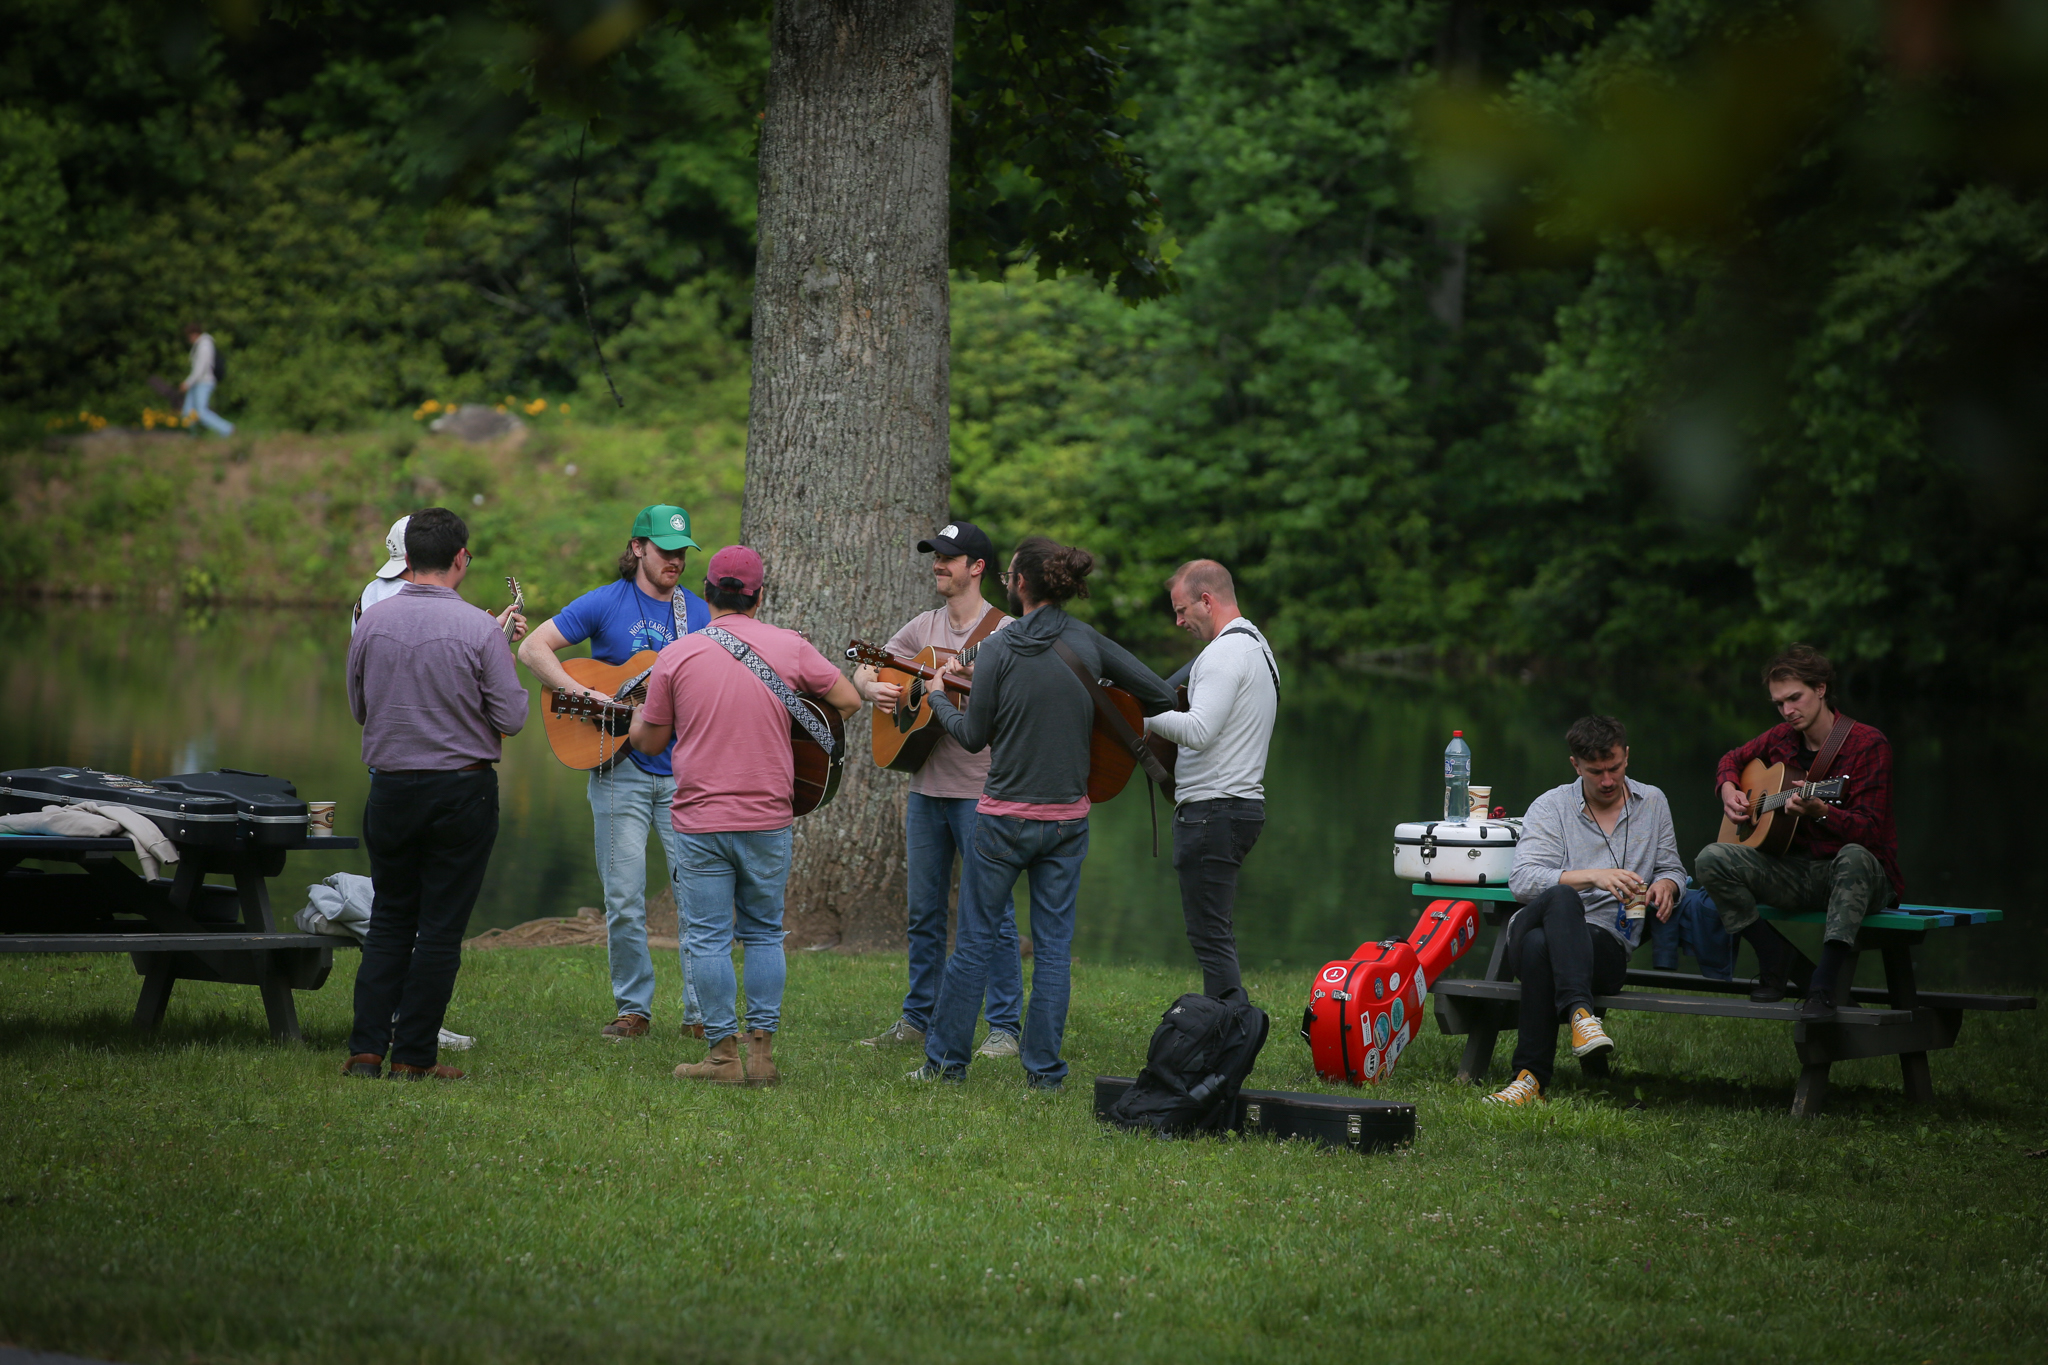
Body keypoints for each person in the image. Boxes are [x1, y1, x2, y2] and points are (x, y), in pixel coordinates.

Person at [910, 536, 1176, 1091]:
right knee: (1054, 950)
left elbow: (972, 736)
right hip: (1066, 822)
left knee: (975, 941)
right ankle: (1044, 1075)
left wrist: (936, 695)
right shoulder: (1086, 639)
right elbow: (1159, 693)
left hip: (1002, 820)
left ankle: (945, 1065)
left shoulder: (999, 648)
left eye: (1009, 574)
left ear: (1021, 584)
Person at [628, 545, 861, 1086]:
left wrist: (639, 718)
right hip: (768, 814)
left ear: (708, 594)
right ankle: (761, 1056)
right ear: (759, 595)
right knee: (763, 934)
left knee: (707, 938)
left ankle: (721, 1058)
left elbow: (651, 739)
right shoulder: (790, 646)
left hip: (701, 816)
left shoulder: (679, 656)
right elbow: (847, 700)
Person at [341, 507, 527, 1080]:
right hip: (461, 791)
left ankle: (367, 1051)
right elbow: (513, 717)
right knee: (440, 928)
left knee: (392, 919)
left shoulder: (369, 622)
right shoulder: (478, 628)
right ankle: (415, 1056)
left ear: (406, 562)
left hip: (391, 789)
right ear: (460, 559)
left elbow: (359, 709)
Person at [518, 506, 712, 1040]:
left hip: (684, 776)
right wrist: (584, 695)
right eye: (664, 549)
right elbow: (533, 648)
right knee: (624, 897)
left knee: (697, 896)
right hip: (617, 768)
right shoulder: (606, 602)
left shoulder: (698, 614)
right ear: (637, 548)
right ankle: (634, 1010)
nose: (674, 560)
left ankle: (699, 1014)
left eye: (682, 552)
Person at [849, 521, 1024, 1056]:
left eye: (948, 558)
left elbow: (1017, 705)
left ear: (977, 568)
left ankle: (1005, 1028)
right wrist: (873, 687)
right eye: (935, 556)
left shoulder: (1007, 631)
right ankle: (917, 1018)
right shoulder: (923, 625)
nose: (937, 565)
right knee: (923, 910)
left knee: (991, 909)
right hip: (926, 788)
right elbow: (866, 664)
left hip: (982, 791)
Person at [1485, 715, 1688, 1106]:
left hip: (1605, 944)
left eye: (1614, 767)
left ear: (1627, 756)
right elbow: (1523, 880)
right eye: (1596, 772)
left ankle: (1528, 1080)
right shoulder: (1551, 806)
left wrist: (1668, 884)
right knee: (1562, 899)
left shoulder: (1653, 802)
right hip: (1532, 925)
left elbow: (1671, 867)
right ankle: (1581, 1015)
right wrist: (1592, 877)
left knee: (1541, 949)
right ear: (1576, 766)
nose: (1608, 780)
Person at [1695, 644, 1901, 1020]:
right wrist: (1728, 788)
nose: (1788, 711)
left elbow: (1870, 833)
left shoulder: (1868, 745)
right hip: (1796, 872)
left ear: (1820, 689)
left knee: (1854, 855)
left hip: (1859, 876)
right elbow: (1732, 758)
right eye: (1779, 703)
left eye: (1795, 698)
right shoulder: (1780, 739)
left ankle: (1822, 988)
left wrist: (1821, 813)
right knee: (1711, 858)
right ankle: (1774, 955)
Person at [1142, 560, 1280, 998]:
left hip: (1212, 813)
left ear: (1207, 600)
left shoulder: (1223, 653)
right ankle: (1227, 1029)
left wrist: (1143, 718)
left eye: (1183, 610)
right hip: (1237, 809)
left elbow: (1199, 731)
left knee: (1209, 938)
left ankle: (1230, 1034)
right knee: (1213, 932)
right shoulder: (1258, 645)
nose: (1179, 621)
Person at [179, 324, 234, 436]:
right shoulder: (200, 345)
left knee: (201, 413)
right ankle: (193, 436)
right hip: (197, 383)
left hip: (204, 382)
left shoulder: (204, 345)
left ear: (194, 334)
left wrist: (187, 383)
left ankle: (228, 429)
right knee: (187, 412)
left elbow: (200, 369)